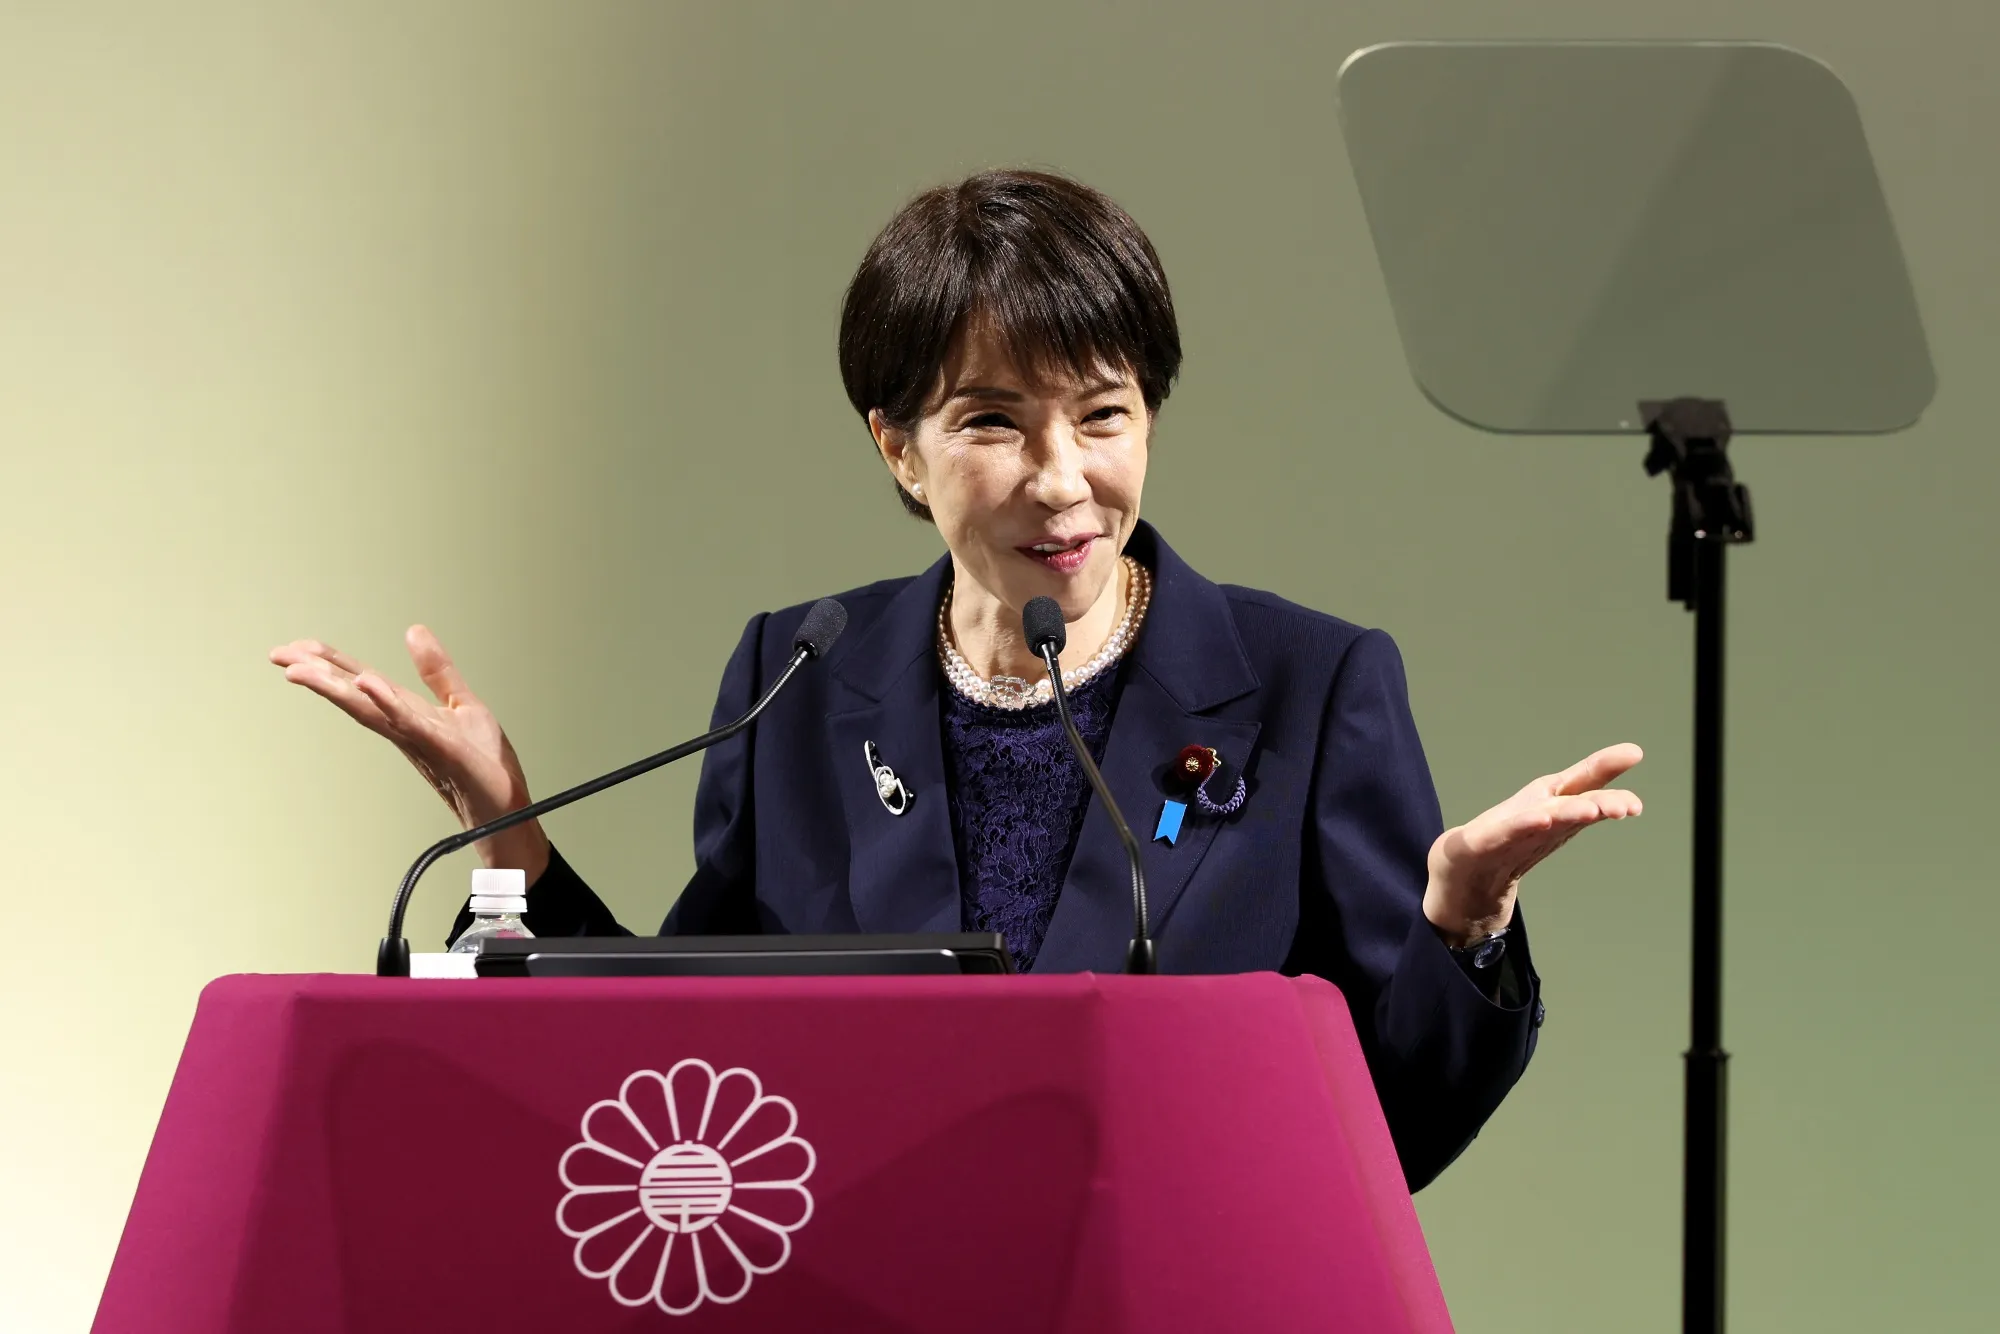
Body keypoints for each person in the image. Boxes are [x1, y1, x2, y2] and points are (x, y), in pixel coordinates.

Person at [270, 168, 1642, 1190]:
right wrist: (509, 840)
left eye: (1102, 414)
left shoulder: (1306, 684)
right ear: (897, 447)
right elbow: (676, 1060)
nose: (1063, 478)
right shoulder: (798, 676)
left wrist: (1462, 921)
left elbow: (1388, 1130)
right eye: (994, 420)